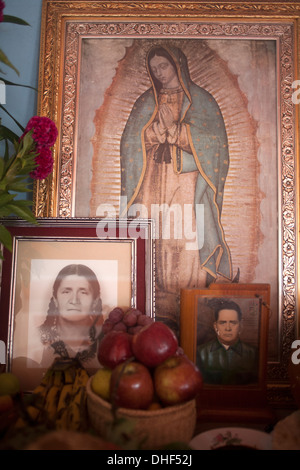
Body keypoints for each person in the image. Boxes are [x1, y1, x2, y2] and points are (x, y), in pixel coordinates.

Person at [120, 45, 234, 330]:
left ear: (177, 65)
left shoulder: (200, 101)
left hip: (186, 181)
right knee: (155, 232)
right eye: (154, 68)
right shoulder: (146, 101)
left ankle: (188, 304)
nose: (159, 73)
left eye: (164, 66)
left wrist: (178, 133)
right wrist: (150, 134)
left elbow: (216, 146)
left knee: (185, 236)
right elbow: (129, 142)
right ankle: (152, 304)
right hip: (152, 180)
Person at [39, 264, 103, 369]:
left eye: (83, 292)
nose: (74, 300)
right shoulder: (37, 338)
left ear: (95, 301)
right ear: (55, 298)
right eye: (66, 292)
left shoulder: (105, 341)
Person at [196, 300, 258, 385]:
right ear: (215, 326)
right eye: (222, 323)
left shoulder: (253, 353)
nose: (228, 328)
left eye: (233, 323)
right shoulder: (201, 352)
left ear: (240, 326)